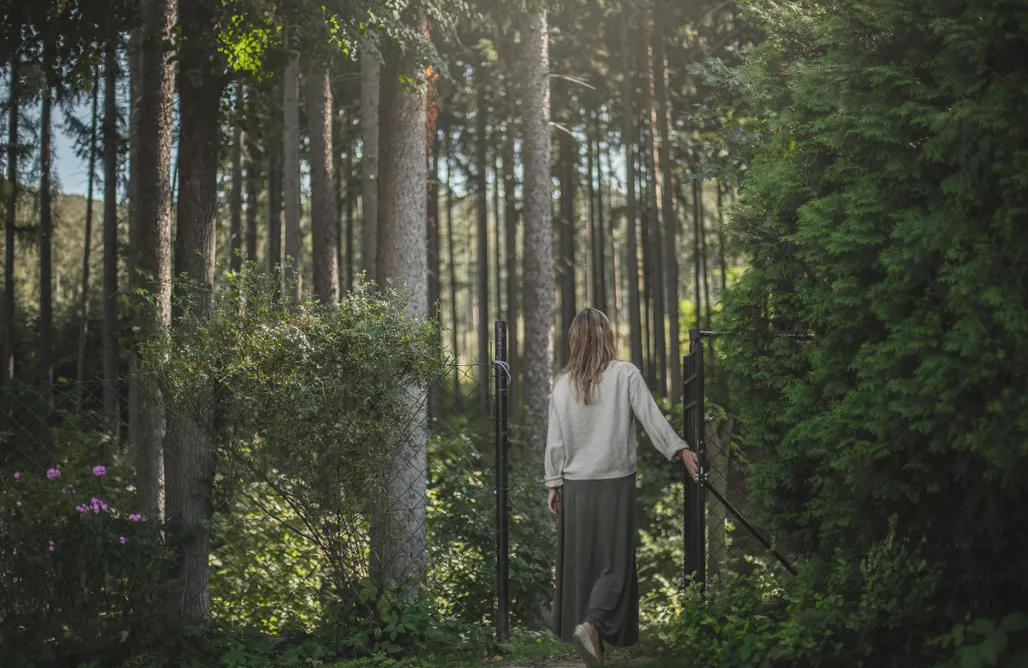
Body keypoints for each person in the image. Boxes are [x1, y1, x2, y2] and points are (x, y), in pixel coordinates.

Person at [544, 308, 699, 667]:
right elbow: (650, 416)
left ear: (575, 340)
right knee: (615, 564)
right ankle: (593, 624)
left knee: (587, 565)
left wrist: (553, 482)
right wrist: (678, 447)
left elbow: (555, 440)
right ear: (607, 337)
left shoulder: (563, 383)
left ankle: (592, 635)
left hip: (575, 486)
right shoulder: (624, 374)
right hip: (615, 483)